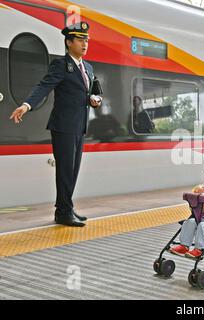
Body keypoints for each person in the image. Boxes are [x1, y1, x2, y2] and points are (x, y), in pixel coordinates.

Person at [9, 22, 102, 227]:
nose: (85, 43)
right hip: (63, 127)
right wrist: (26, 105)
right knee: (65, 170)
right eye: (80, 39)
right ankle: (63, 212)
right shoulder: (60, 65)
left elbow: (95, 92)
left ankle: (67, 208)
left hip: (80, 127)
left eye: (86, 39)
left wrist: (95, 100)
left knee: (74, 170)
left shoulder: (88, 67)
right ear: (69, 42)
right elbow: (44, 86)